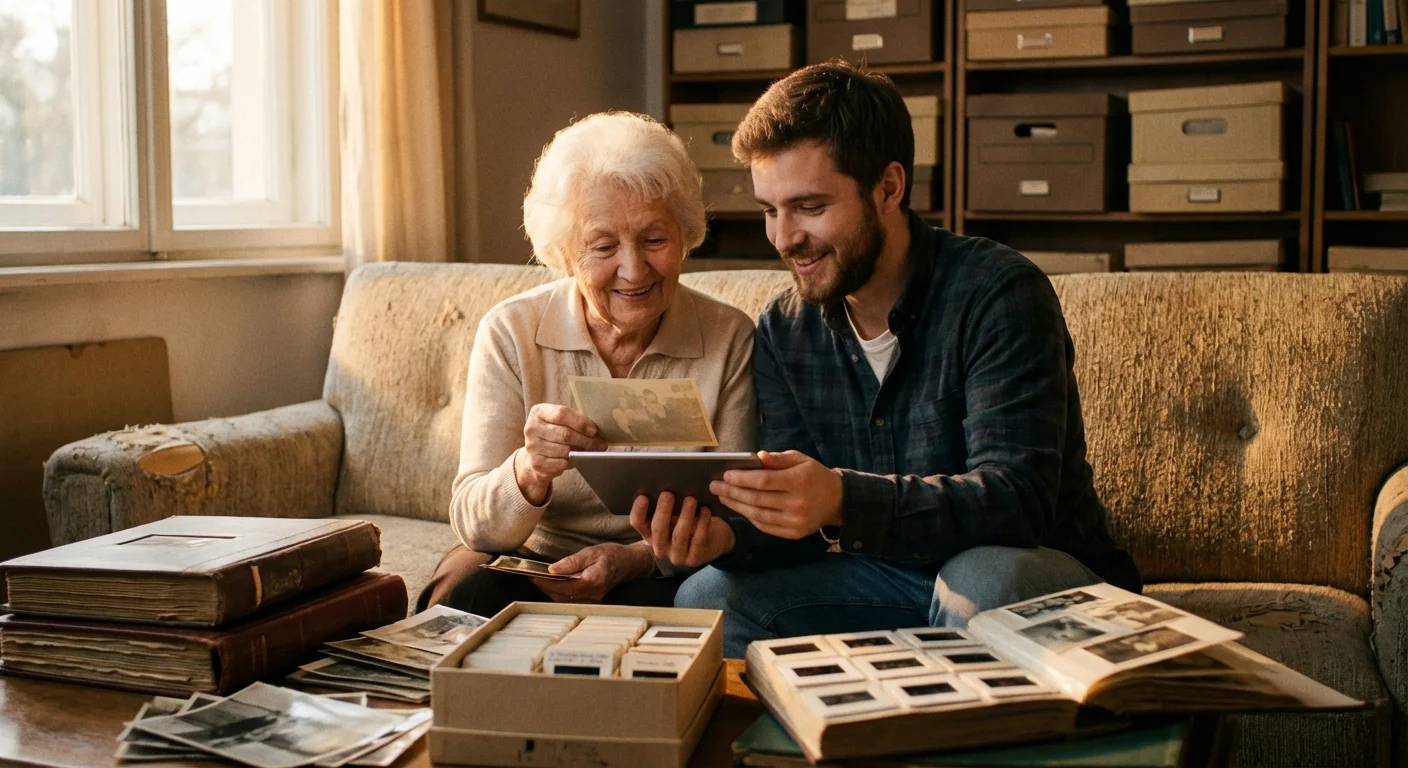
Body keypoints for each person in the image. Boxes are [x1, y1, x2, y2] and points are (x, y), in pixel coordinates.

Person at [634, 61, 1141, 658]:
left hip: (1029, 574)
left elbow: (1017, 502)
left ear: (889, 188)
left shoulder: (999, 293)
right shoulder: (783, 330)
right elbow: (797, 536)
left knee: (981, 580)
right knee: (704, 598)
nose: (784, 238)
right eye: (770, 210)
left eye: (810, 207)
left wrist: (843, 498)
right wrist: (724, 537)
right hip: (886, 583)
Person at [416, 112, 758, 617]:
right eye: (603, 246)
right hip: (534, 562)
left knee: (701, 607)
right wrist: (529, 470)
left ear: (684, 234)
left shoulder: (729, 337)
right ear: (565, 254)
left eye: (654, 239)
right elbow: (474, 523)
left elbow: (732, 515)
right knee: (460, 593)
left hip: (655, 571)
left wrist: (634, 559)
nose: (633, 269)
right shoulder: (511, 332)